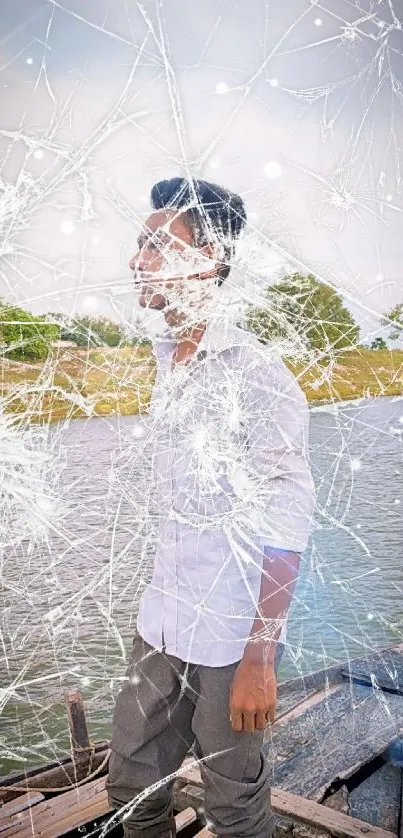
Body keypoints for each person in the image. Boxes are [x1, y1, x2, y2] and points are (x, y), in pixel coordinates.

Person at [106, 177, 316, 837]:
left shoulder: (257, 376)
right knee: (132, 784)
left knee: (231, 798)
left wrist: (260, 658)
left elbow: (287, 521)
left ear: (210, 261)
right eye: (139, 244)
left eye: (156, 246)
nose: (138, 261)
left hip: (230, 634)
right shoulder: (166, 357)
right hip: (161, 619)